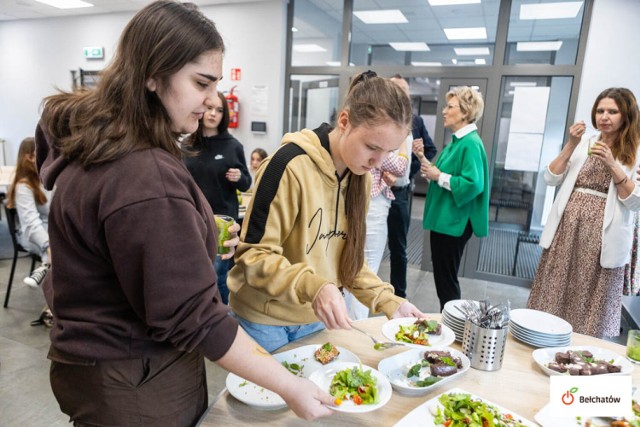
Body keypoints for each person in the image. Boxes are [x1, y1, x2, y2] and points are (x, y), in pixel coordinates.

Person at [34, 2, 334, 424]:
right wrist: (289, 384)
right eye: (202, 83)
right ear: (153, 75)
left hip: (91, 368)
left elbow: (114, 242)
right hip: (137, 376)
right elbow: (194, 318)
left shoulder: (100, 146)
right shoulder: (143, 175)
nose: (212, 101)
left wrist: (194, 232)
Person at [228, 70, 427, 353]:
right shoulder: (288, 166)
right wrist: (316, 287)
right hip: (264, 321)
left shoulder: (362, 178)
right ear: (344, 121)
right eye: (372, 147)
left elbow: (349, 263)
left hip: (314, 318)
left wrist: (390, 301)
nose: (377, 162)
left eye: (389, 152)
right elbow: (253, 256)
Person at [527, 87, 640, 338]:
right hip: (567, 228)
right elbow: (550, 177)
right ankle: (546, 337)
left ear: (627, 115)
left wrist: (612, 163)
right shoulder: (584, 143)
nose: (604, 116)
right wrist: (571, 144)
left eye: (613, 111)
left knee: (588, 293)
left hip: (603, 236)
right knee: (556, 285)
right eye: (600, 110)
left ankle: (581, 347)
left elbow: (636, 202)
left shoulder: (635, 151)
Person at [415, 86, 489, 311]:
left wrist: (439, 175)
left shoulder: (470, 143)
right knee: (443, 279)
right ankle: (451, 323)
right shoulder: (457, 142)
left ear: (465, 113)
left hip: (453, 222)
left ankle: (453, 327)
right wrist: (421, 157)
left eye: (450, 107)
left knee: (446, 282)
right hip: (446, 220)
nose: (444, 111)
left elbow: (473, 184)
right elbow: (437, 176)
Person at [184, 91, 251, 304]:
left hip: (220, 224)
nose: (213, 114)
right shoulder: (186, 145)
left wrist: (239, 176)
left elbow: (247, 182)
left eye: (219, 110)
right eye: (210, 108)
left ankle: (223, 320)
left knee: (218, 278)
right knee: (191, 278)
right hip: (191, 221)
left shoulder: (233, 146)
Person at [344, 139, 408, 320]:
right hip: (372, 208)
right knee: (365, 272)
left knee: (351, 267)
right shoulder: (380, 138)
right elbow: (400, 166)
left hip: (359, 204)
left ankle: (346, 326)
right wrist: (402, 141)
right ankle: (355, 329)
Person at [388, 75, 437, 298]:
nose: (400, 93)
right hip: (376, 193)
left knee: (399, 248)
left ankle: (399, 296)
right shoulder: (379, 118)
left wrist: (409, 166)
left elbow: (429, 149)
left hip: (401, 193)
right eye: (396, 88)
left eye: (404, 90)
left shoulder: (415, 121)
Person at [7, 137, 54, 326]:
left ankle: (45, 267)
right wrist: (49, 245)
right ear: (29, 157)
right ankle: (51, 308)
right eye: (41, 152)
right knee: (59, 252)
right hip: (30, 235)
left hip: (47, 229)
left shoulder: (44, 178)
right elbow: (31, 224)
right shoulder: (23, 185)